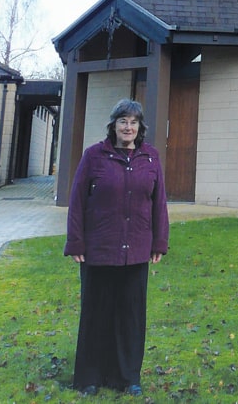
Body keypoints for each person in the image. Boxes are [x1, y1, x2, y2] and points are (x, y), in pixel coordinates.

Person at [64, 99, 170, 397]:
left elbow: (159, 202)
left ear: (140, 127)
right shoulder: (94, 156)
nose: (128, 127)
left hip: (136, 250)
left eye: (134, 122)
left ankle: (127, 377)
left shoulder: (151, 158)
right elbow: (77, 201)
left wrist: (159, 241)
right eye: (123, 121)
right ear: (114, 125)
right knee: (96, 314)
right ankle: (89, 377)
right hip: (99, 250)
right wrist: (76, 241)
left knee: (130, 317)